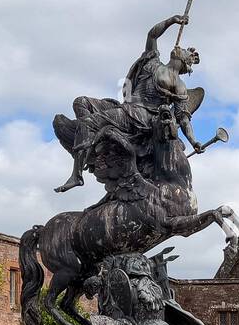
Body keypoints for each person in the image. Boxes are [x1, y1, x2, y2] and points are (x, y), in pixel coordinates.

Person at [55, 13, 206, 193]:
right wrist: (172, 21)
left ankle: (77, 175)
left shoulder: (179, 86)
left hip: (139, 116)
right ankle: (97, 145)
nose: (181, 48)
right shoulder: (153, 62)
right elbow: (152, 35)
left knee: (88, 123)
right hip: (125, 108)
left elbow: (183, 118)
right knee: (81, 102)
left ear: (185, 62)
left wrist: (194, 141)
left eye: (187, 51)